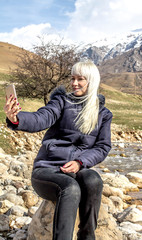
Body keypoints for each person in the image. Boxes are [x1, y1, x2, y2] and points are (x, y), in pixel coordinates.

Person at [4, 60, 113, 240]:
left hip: (77, 168)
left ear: (92, 82)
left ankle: (87, 237)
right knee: (70, 189)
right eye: (72, 78)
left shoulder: (103, 113)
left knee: (94, 180)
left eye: (80, 79)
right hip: (47, 169)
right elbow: (40, 118)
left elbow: (102, 147)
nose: (74, 83)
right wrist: (16, 118)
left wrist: (80, 162)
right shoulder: (61, 101)